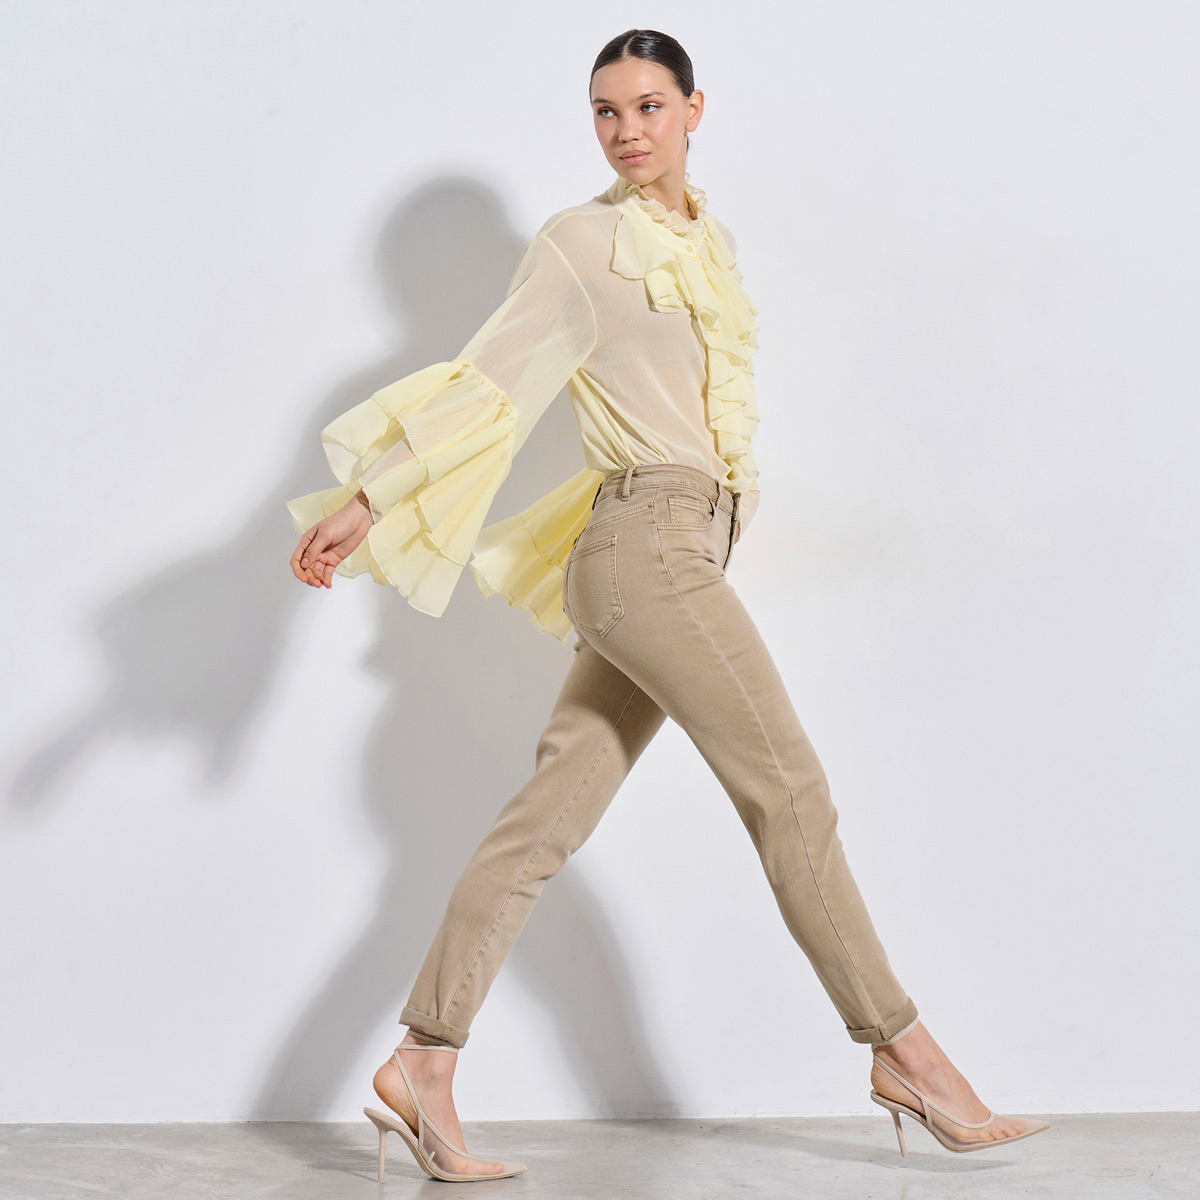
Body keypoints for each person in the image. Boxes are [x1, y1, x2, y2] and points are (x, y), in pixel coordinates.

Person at [287, 28, 1050, 1185]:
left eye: (649, 105)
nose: (627, 130)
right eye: (605, 111)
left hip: (678, 550)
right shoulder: (579, 244)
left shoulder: (711, 244)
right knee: (790, 792)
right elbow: (486, 387)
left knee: (545, 821)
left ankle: (422, 1063)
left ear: (696, 109)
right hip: (643, 548)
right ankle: (908, 1055)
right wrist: (366, 501)